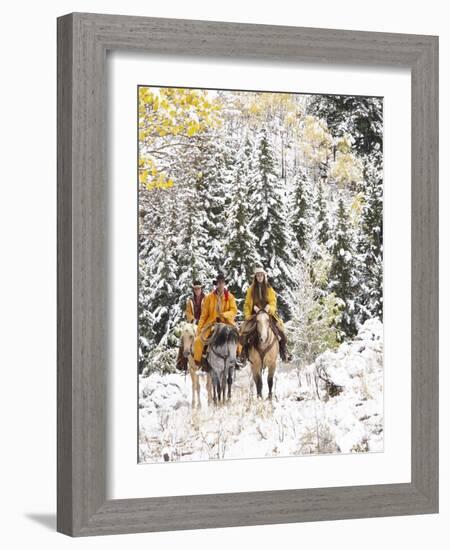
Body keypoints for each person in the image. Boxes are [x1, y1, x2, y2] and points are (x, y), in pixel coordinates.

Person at [241, 266, 292, 362]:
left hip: (268, 314)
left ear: (264, 276)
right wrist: (249, 313)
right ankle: (243, 354)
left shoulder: (269, 288)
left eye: (261, 275)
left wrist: (269, 307)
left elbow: (273, 301)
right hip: (254, 315)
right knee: (244, 332)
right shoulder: (250, 290)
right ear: (255, 277)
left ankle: (284, 352)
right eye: (258, 275)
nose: (259, 277)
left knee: (280, 331)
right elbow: (247, 304)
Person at [193, 273, 241, 368]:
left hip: (227, 323)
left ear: (224, 284)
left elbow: (234, 310)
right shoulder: (209, 297)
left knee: (238, 336)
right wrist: (199, 329)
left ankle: (238, 357)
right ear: (216, 284)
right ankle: (200, 362)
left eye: (222, 283)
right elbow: (204, 315)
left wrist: (224, 315)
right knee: (199, 340)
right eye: (219, 283)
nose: (221, 285)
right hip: (212, 323)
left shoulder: (230, 297)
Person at [175, 280, 205, 371]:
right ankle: (181, 361)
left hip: (203, 323)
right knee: (184, 337)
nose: (197, 290)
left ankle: (206, 359)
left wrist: (202, 320)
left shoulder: (206, 299)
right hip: (193, 323)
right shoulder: (190, 301)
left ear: (201, 289)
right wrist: (193, 319)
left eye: (198, 289)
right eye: (195, 289)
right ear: (193, 290)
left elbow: (207, 311)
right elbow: (188, 312)